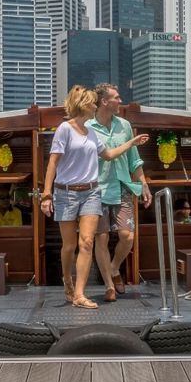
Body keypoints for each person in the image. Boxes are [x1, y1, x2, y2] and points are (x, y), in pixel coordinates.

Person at [40, 86, 149, 309]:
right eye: (92, 103)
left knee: (87, 242)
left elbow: (108, 155)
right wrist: (46, 194)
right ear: (83, 105)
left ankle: (80, 295)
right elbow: (53, 162)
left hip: (91, 192)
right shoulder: (65, 129)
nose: (95, 105)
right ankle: (68, 281)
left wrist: (131, 143)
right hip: (67, 193)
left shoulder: (92, 133)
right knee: (69, 246)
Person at [87, 83, 151, 302]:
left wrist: (143, 184)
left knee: (127, 236)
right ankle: (108, 286)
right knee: (101, 239)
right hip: (96, 191)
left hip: (122, 187)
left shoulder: (124, 125)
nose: (120, 100)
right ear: (104, 101)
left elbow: (134, 160)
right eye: (117, 97)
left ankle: (114, 268)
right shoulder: (87, 127)